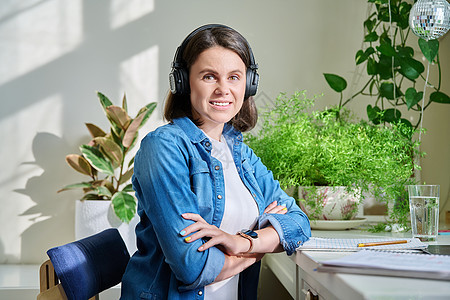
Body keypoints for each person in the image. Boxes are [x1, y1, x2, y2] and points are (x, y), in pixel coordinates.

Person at [120, 24, 311, 300]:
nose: (224, 89)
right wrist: (260, 247)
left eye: (234, 77)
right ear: (183, 82)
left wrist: (238, 241)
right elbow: (192, 267)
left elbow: (300, 223)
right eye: (209, 76)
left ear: (249, 84)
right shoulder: (162, 148)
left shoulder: (240, 154)